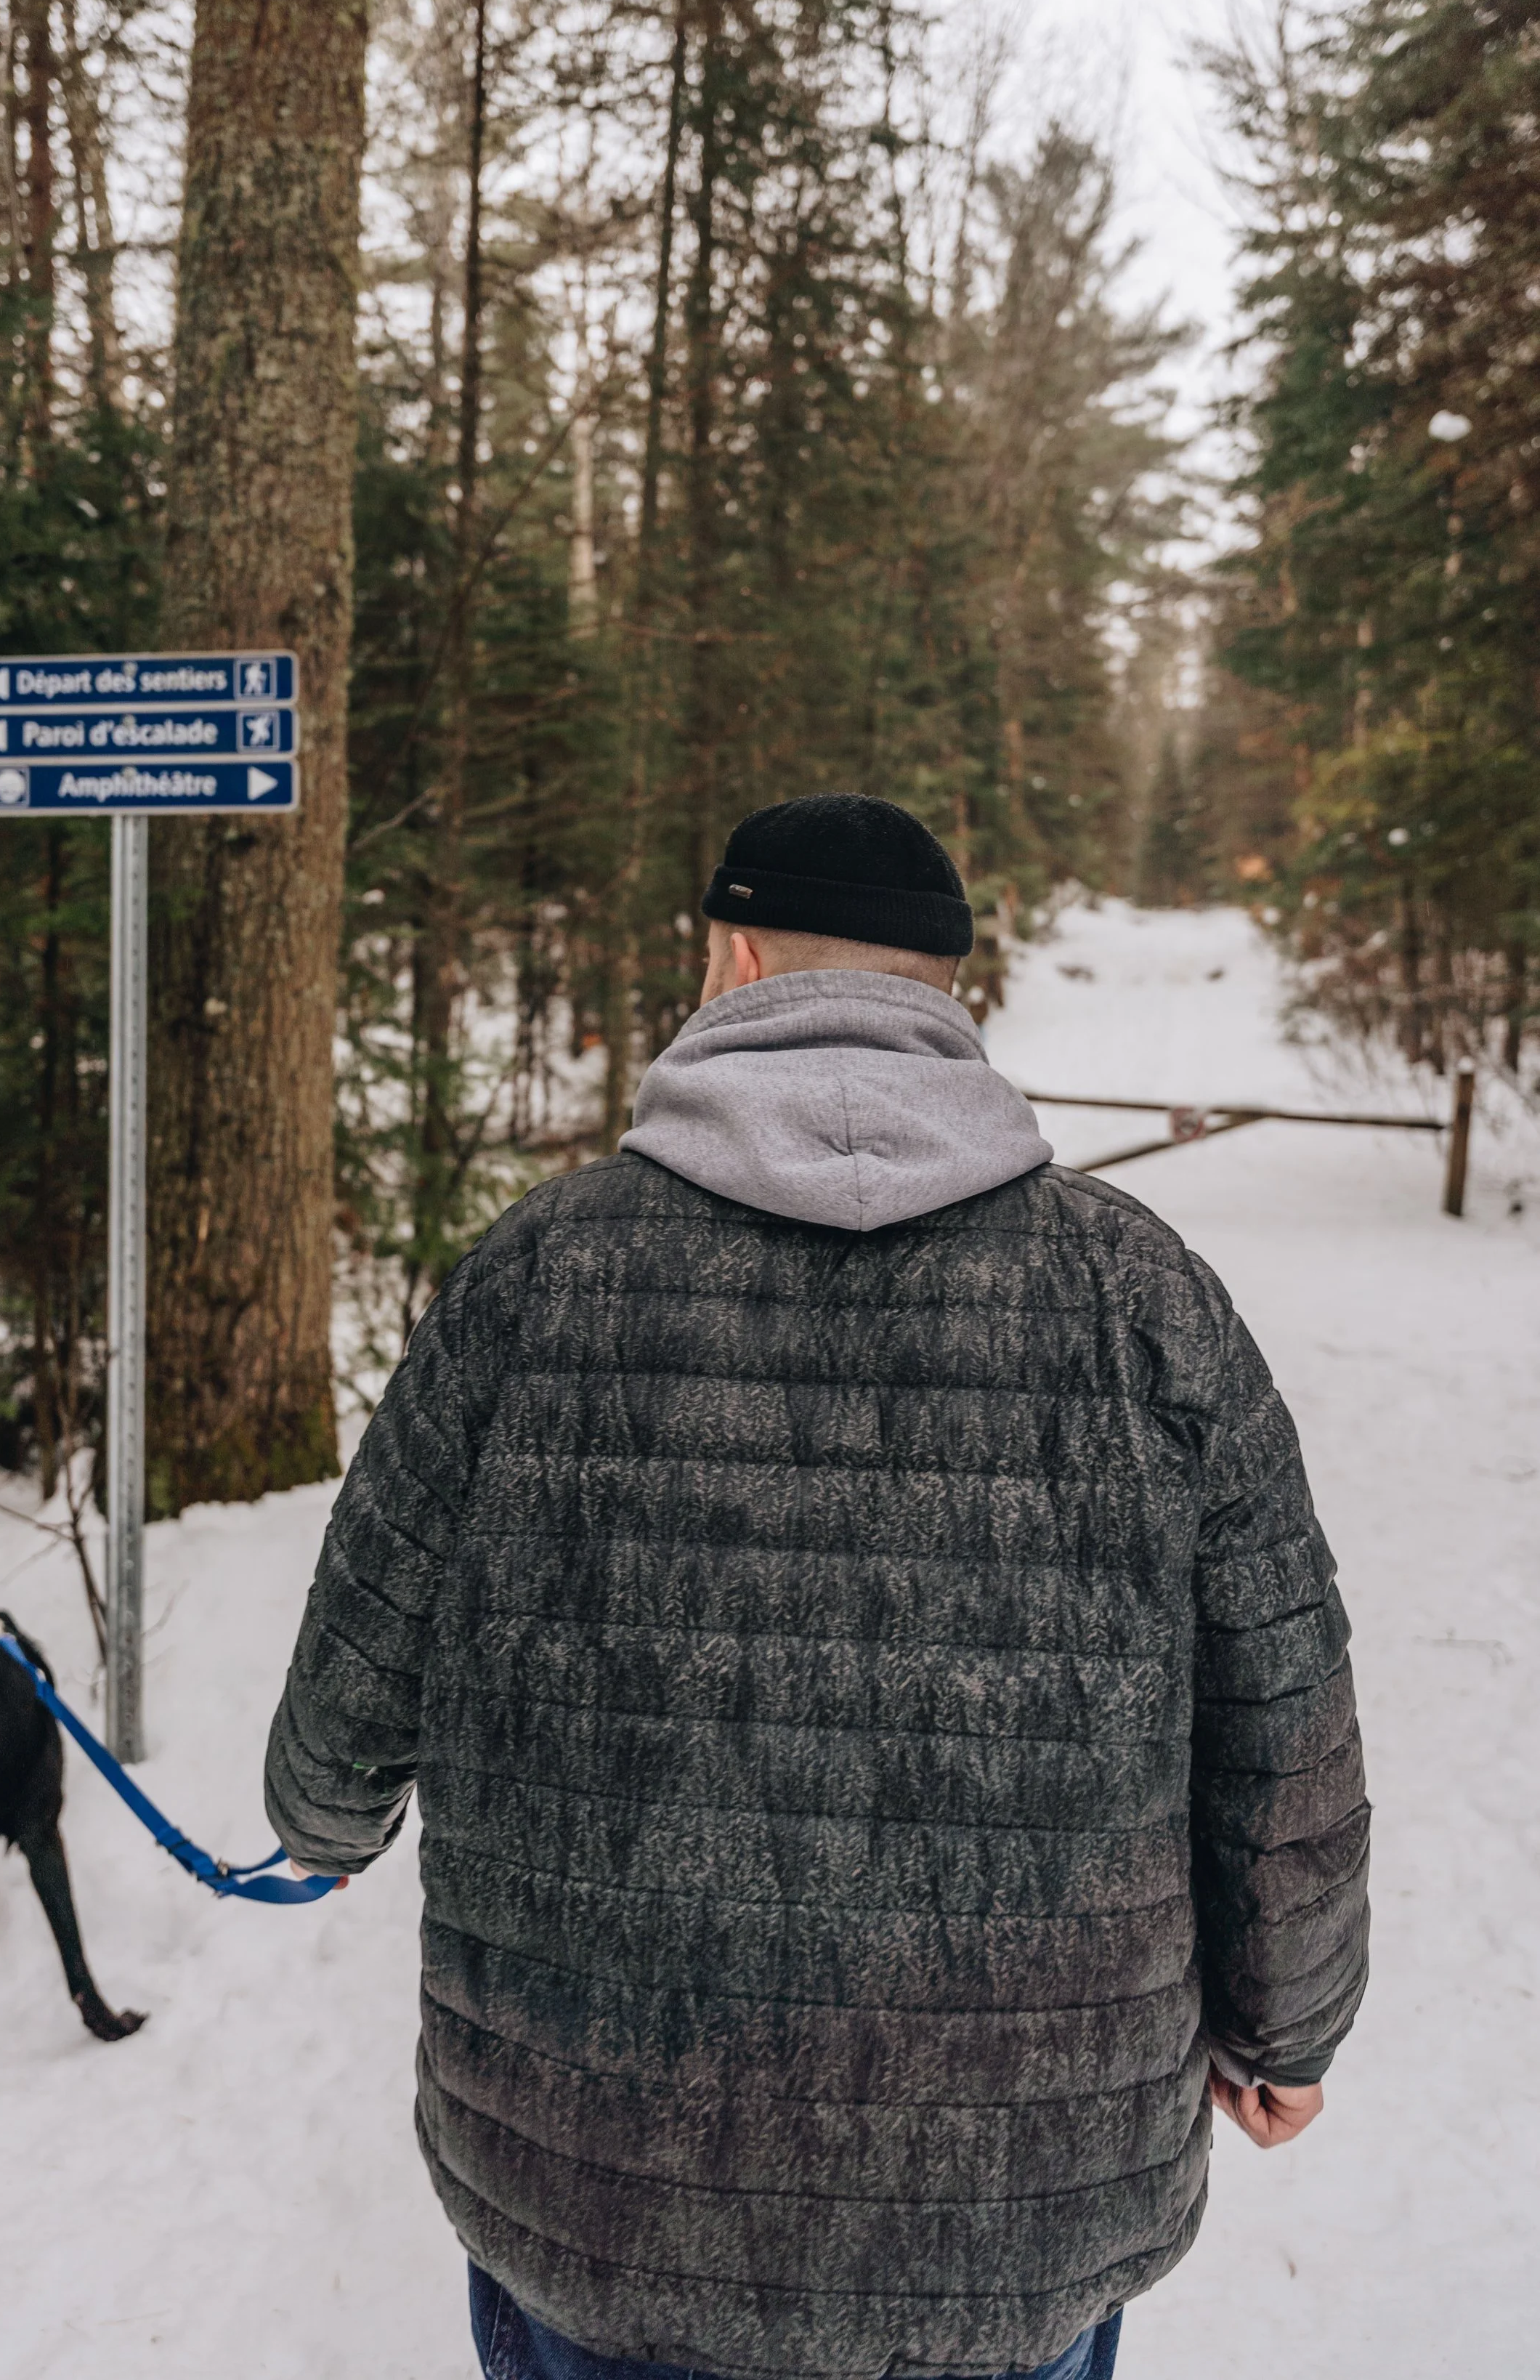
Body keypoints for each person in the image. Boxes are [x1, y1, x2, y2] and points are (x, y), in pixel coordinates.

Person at [267, 793, 1369, 2380]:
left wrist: (323, 1820)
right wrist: (1286, 2028)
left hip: (603, 2186)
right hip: (1013, 2203)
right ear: (941, 991)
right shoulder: (1139, 1297)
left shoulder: (539, 1276)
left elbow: (359, 1655)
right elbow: (1284, 1719)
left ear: (729, 959)